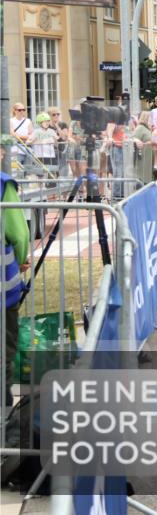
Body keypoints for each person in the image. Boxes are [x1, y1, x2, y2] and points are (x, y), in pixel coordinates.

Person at [1, 153, 30, 407]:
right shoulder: (3, 184)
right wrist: (21, 260)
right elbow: (20, 234)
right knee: (3, 349)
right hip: (4, 293)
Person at [9, 103, 33, 169]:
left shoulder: (28, 121)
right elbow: (12, 134)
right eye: (19, 110)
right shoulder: (11, 121)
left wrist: (20, 137)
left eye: (23, 110)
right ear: (15, 111)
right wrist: (24, 137)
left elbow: (31, 134)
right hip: (15, 148)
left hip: (27, 149)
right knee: (16, 170)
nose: (22, 111)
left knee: (28, 170)